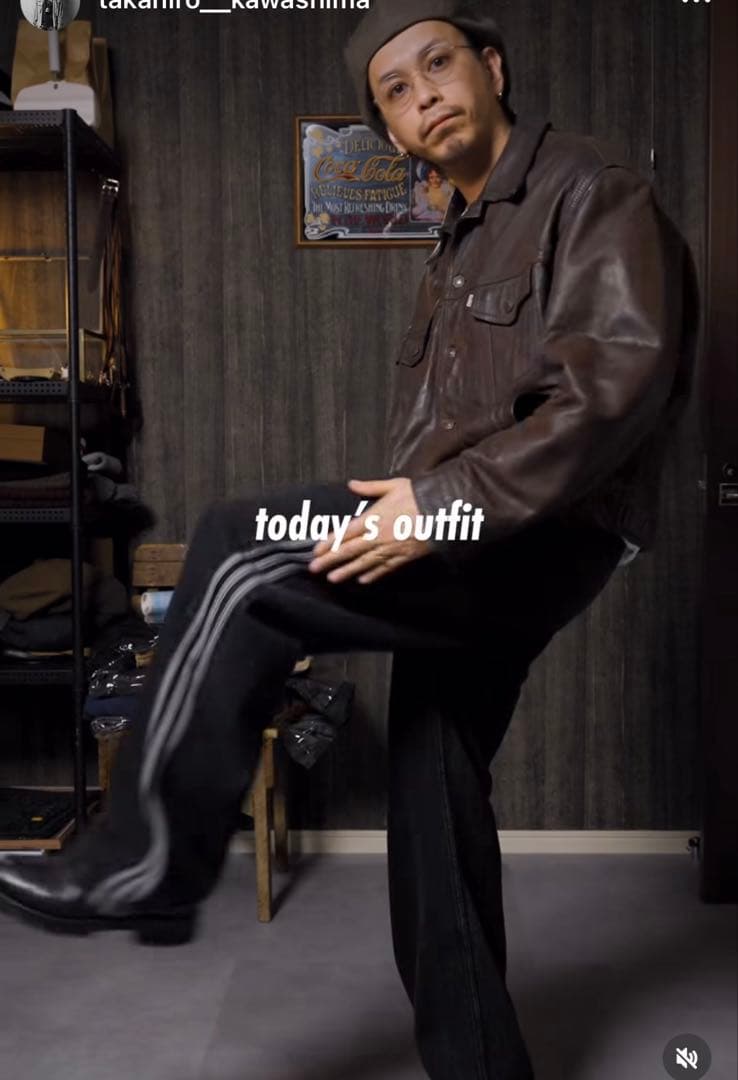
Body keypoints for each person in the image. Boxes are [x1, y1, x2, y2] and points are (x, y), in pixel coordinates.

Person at [0, 2, 698, 1078]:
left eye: (438, 64)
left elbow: (613, 391)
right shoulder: (462, 236)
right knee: (433, 779)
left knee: (241, 546)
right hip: (458, 527)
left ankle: (141, 863)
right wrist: (418, 511)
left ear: (492, 66)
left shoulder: (591, 190)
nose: (424, 97)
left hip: (517, 530)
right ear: (391, 130)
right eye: (395, 92)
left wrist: (436, 506)